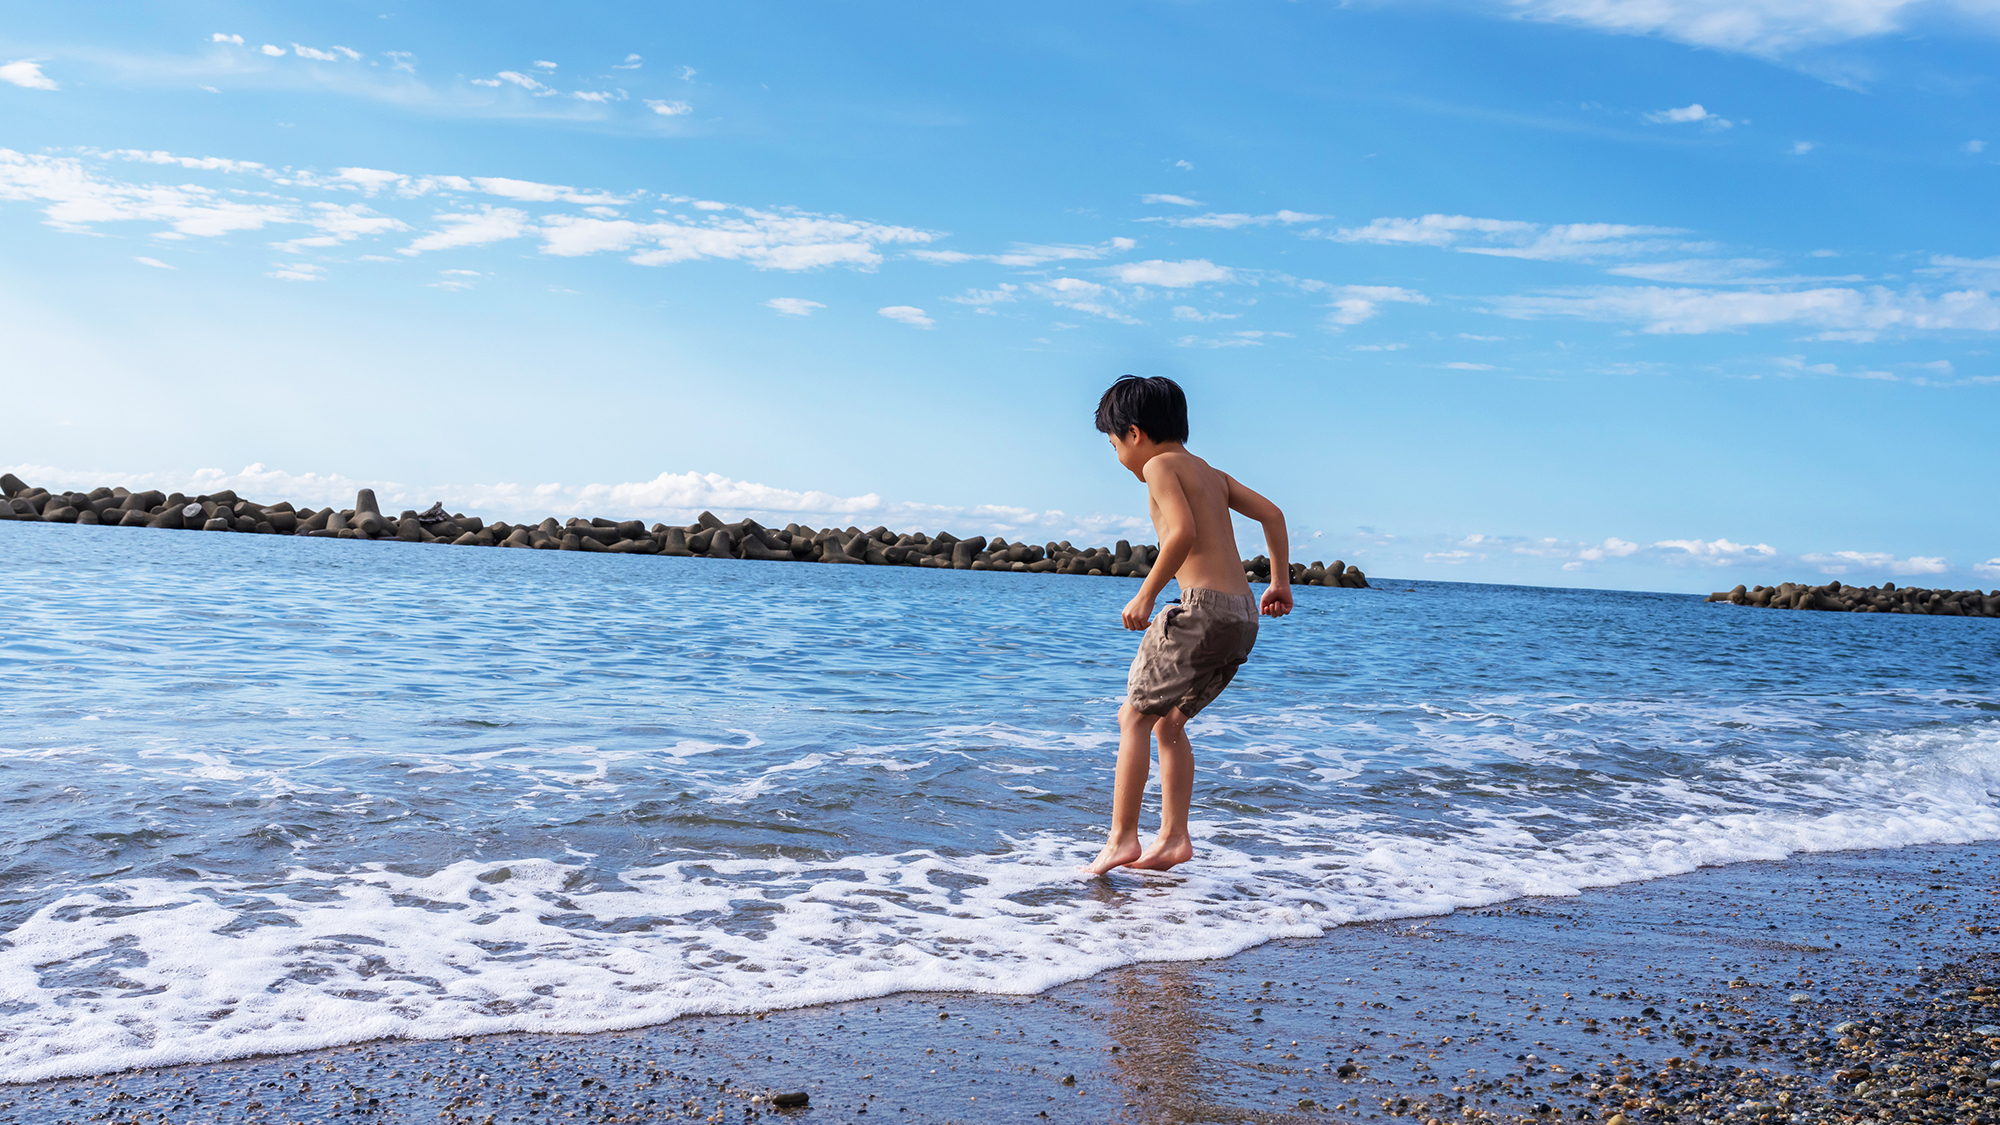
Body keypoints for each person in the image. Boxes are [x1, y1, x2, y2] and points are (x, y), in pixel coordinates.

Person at [1083, 375, 1293, 875]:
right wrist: (1280, 583)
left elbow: (1181, 533)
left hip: (1201, 608)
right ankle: (1174, 838)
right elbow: (1274, 514)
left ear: (1133, 434)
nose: (1117, 456)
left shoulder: (1158, 466)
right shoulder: (1212, 473)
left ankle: (1122, 839)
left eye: (1113, 444)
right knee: (1170, 722)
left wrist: (1146, 593)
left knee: (1133, 717)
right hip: (1242, 615)